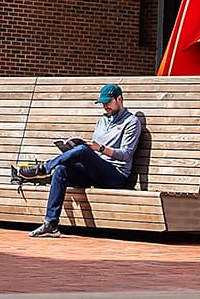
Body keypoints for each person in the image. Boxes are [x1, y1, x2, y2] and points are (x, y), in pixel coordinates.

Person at [17, 83, 140, 237]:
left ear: (119, 99)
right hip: (95, 172)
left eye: (108, 102)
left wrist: (100, 148)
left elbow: (126, 154)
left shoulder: (132, 122)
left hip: (115, 174)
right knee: (61, 170)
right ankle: (51, 224)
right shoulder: (102, 120)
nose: (105, 106)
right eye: (102, 103)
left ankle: (44, 168)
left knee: (82, 151)